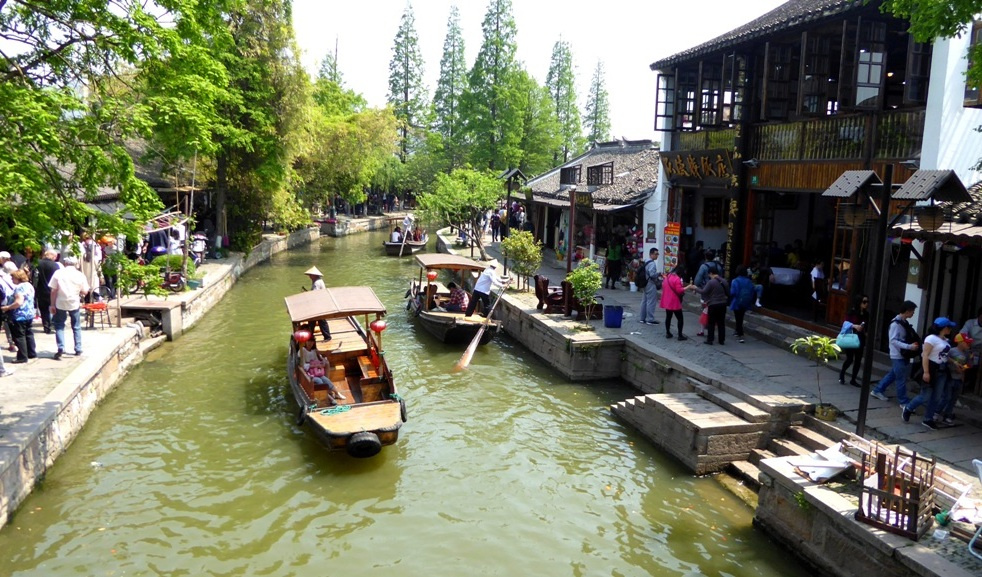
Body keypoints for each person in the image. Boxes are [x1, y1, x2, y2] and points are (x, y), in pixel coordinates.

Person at [903, 317, 956, 430]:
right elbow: (925, 355)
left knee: (936, 397)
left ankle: (928, 418)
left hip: (942, 369)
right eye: (949, 327)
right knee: (925, 395)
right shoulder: (931, 338)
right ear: (944, 328)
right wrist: (926, 372)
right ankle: (908, 408)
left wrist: (954, 363)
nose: (950, 329)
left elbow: (944, 355)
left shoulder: (945, 340)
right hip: (932, 368)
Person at [870, 300, 920, 404]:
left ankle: (877, 390)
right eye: (912, 311)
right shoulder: (896, 324)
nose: (913, 313)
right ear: (907, 311)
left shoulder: (903, 322)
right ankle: (903, 401)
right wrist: (909, 346)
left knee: (893, 374)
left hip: (902, 354)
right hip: (897, 354)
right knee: (900, 379)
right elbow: (893, 340)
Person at [48, 255, 90, 360]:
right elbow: (85, 291)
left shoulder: (58, 273)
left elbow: (53, 290)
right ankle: (78, 348)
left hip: (60, 302)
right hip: (74, 302)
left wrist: (52, 304)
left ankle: (61, 348)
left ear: (65, 263)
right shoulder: (80, 275)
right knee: (76, 326)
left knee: (59, 325)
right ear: (76, 264)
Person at [688, 264, 729, 345]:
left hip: (713, 304)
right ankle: (721, 340)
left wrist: (695, 288)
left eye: (709, 274)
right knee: (721, 322)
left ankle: (710, 339)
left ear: (711, 273)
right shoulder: (724, 281)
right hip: (723, 304)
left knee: (711, 323)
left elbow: (704, 292)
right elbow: (728, 292)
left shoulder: (711, 282)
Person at [2, 269, 37, 363]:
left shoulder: (19, 288)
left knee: (19, 336)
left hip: (19, 315)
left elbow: (19, 302)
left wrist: (8, 307)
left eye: (13, 277)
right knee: (29, 333)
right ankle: (31, 353)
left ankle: (22, 357)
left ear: (18, 278)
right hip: (29, 313)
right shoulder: (29, 285)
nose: (12, 279)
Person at [940, 332, 972, 425]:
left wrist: (964, 368)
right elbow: (945, 360)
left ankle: (947, 415)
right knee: (946, 397)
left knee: (953, 399)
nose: (968, 345)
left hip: (959, 378)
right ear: (960, 342)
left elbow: (969, 364)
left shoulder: (967, 353)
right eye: (966, 343)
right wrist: (954, 367)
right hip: (950, 377)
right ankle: (936, 412)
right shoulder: (952, 351)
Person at [838, 295, 869, 386]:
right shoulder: (852, 312)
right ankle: (842, 374)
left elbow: (867, 325)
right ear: (859, 302)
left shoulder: (866, 314)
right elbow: (845, 323)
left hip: (861, 338)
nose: (866, 304)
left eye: (867, 302)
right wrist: (855, 326)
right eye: (864, 302)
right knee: (850, 359)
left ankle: (853, 379)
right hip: (851, 337)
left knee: (858, 360)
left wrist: (865, 331)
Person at [957, 307, 982, 392]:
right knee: (964, 365)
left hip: (980, 352)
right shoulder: (970, 323)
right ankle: (961, 386)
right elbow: (961, 335)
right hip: (968, 349)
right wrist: (967, 342)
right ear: (979, 316)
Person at [660, 264, 688, 341]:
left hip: (668, 301)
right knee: (680, 318)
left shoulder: (668, 277)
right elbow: (679, 290)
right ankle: (680, 335)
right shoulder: (677, 279)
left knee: (668, 317)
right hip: (675, 301)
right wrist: (688, 287)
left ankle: (668, 332)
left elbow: (664, 286)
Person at [729, 266, 755, 343]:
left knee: (738, 318)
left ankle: (740, 334)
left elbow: (733, 292)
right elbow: (752, 291)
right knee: (741, 317)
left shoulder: (735, 281)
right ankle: (737, 331)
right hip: (746, 301)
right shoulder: (749, 281)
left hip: (737, 302)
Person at [304, 266, 331, 341]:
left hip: (318, 305)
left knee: (319, 321)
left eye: (310, 275)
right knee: (316, 321)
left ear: (314, 275)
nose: (309, 277)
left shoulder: (316, 283)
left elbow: (315, 295)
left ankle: (326, 337)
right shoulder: (319, 281)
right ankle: (313, 336)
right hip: (319, 304)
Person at [638, 247, 661, 325]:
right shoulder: (652, 263)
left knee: (644, 301)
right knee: (651, 302)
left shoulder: (646, 261)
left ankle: (642, 318)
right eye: (656, 254)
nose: (657, 255)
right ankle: (650, 319)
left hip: (645, 283)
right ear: (651, 254)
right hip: (650, 283)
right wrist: (658, 274)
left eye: (657, 254)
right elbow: (652, 275)